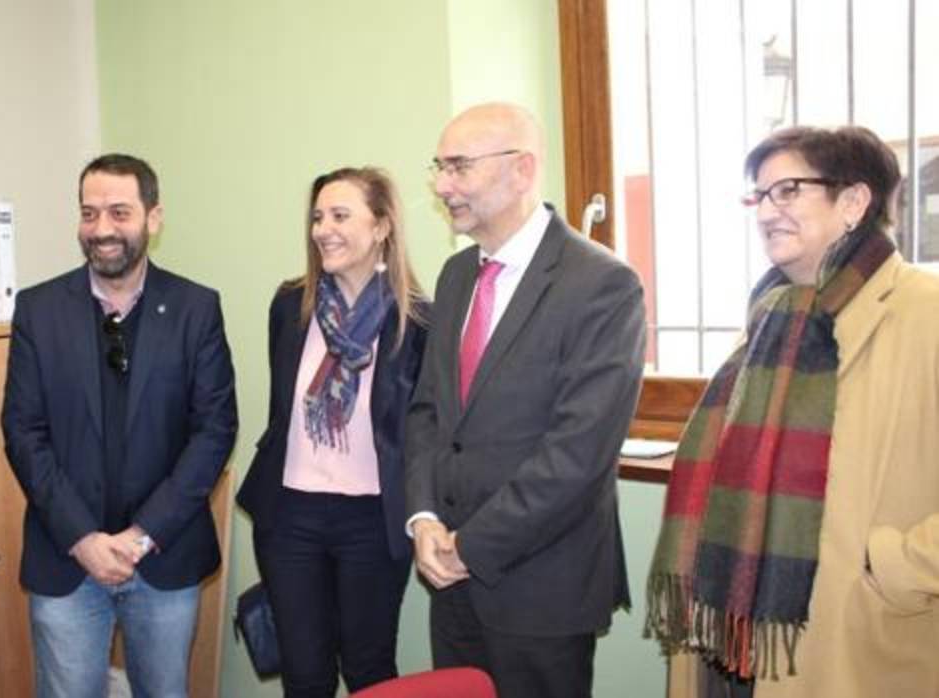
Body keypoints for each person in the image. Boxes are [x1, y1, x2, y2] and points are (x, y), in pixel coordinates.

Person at [646, 126, 939, 697]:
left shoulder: (925, 313)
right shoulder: (770, 313)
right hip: (730, 627)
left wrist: (895, 566)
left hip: (853, 630)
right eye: (759, 195)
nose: (765, 212)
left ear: (854, 201)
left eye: (788, 191)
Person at [404, 102, 647, 698]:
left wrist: (472, 547)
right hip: (452, 580)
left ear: (521, 170)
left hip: (542, 588)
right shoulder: (458, 275)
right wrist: (426, 517)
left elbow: (577, 455)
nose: (442, 185)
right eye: (439, 166)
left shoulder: (602, 284)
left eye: (459, 167)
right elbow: (430, 413)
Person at [2, 153, 238, 698]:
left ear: (154, 218)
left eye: (118, 212)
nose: (101, 229)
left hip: (163, 555)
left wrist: (140, 535)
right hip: (66, 557)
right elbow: (23, 430)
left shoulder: (195, 308)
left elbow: (214, 430)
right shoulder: (39, 310)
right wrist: (83, 537)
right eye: (89, 213)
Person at [237, 167, 429, 696]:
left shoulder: (418, 321)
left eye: (340, 215)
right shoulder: (289, 305)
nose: (323, 228)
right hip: (290, 515)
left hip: (372, 519)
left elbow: (422, 433)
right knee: (304, 673)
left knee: (368, 669)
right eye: (318, 217)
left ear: (382, 226)